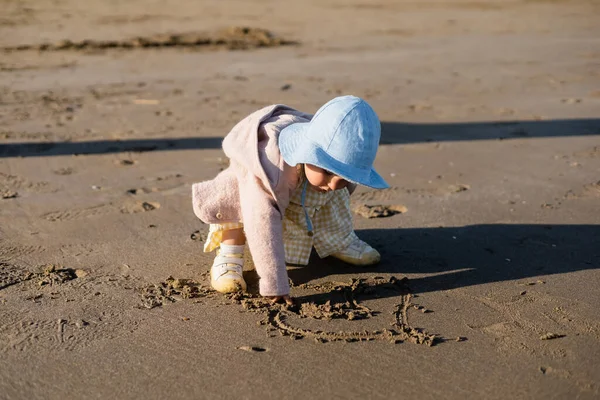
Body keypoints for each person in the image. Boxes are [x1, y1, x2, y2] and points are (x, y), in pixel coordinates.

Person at [192, 95, 389, 304]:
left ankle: (338, 240)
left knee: (336, 193)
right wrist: (275, 283)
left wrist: (340, 189)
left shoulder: (329, 171)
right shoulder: (271, 171)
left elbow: (337, 184)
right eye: (328, 172)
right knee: (235, 199)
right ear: (307, 153)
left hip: (294, 180)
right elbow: (261, 224)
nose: (333, 183)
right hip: (249, 191)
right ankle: (230, 252)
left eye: (345, 177)